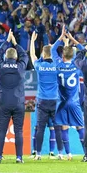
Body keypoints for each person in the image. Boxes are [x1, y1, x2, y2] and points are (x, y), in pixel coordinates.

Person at [0, 30, 29, 164]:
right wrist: (15, 42)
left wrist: (7, 41)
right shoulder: (20, 66)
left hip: (4, 103)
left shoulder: (1, 66)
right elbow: (24, 55)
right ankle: (19, 157)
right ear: (16, 57)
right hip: (18, 102)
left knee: (2, 130)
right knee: (18, 131)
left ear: (5, 57)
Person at [51, 31, 84, 161]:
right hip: (74, 101)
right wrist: (72, 39)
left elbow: (53, 49)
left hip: (62, 102)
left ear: (62, 55)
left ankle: (69, 154)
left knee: (64, 127)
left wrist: (60, 38)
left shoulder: (58, 64)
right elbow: (84, 50)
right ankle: (86, 154)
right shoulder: (77, 65)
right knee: (80, 127)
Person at [29, 31, 62, 160]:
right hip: (55, 100)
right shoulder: (56, 66)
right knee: (57, 127)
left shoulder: (39, 65)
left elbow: (32, 54)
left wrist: (32, 41)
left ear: (43, 54)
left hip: (42, 101)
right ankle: (60, 154)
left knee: (40, 128)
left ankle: (38, 154)